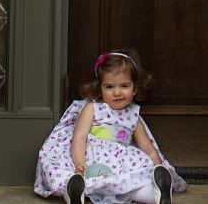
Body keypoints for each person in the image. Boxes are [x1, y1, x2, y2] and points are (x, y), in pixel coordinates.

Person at [34, 50, 186, 204]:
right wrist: (79, 162)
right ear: (100, 89)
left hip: (123, 164)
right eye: (109, 87)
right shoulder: (93, 108)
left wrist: (158, 167)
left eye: (124, 86)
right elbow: (79, 137)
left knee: (136, 182)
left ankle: (159, 193)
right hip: (94, 161)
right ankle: (74, 191)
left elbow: (147, 147)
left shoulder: (133, 115)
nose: (117, 92)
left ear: (134, 89)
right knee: (78, 179)